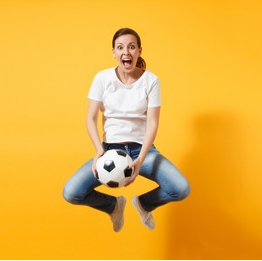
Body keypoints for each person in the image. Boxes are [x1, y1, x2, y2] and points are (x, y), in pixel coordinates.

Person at [63, 28, 190, 232]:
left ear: (139, 50)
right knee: (71, 192)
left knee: (181, 188)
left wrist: (139, 161)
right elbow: (91, 118)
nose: (126, 52)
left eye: (131, 47)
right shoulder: (102, 78)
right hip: (109, 151)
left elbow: (153, 123)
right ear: (113, 52)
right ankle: (113, 206)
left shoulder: (151, 81)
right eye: (120, 47)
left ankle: (144, 204)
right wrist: (99, 151)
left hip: (144, 151)